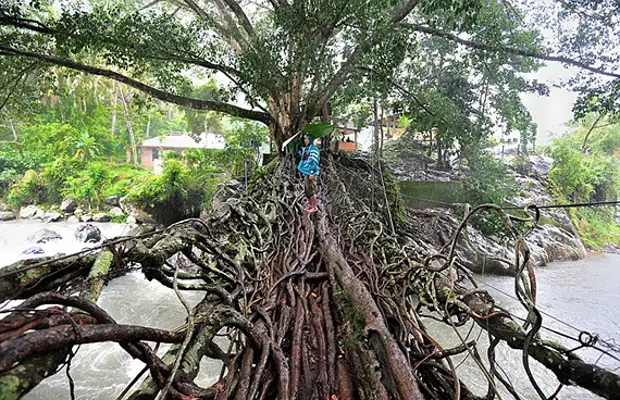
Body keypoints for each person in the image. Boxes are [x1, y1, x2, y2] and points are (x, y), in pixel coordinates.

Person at [297, 134, 320, 213]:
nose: (305, 140)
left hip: (311, 172)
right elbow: (300, 153)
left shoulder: (314, 149)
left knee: (311, 190)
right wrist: (298, 143)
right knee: (307, 190)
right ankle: (310, 205)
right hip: (306, 172)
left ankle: (315, 206)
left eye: (307, 139)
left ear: (311, 140)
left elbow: (314, 161)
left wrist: (312, 172)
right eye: (305, 139)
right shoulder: (306, 149)